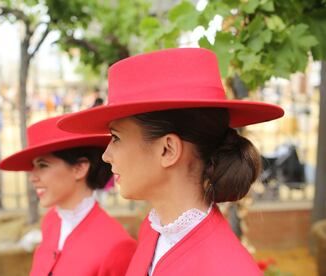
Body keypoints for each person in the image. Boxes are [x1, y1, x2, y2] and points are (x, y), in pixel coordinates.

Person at [58, 48, 284, 275]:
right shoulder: (154, 231)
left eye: (116, 138)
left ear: (167, 149)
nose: (106, 155)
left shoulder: (227, 269)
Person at [0, 115, 137, 276]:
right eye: (33, 166)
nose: (32, 177)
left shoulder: (117, 246)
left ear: (79, 168)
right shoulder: (52, 220)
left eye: (43, 165)